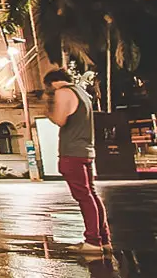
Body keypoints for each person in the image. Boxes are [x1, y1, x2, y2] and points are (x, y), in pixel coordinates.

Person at [44, 67, 111, 252]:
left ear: (53, 83)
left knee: (84, 197)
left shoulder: (62, 92)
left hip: (71, 152)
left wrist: (48, 106)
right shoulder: (82, 93)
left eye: (49, 88)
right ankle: (103, 239)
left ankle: (92, 241)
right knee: (92, 195)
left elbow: (60, 120)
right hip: (86, 151)